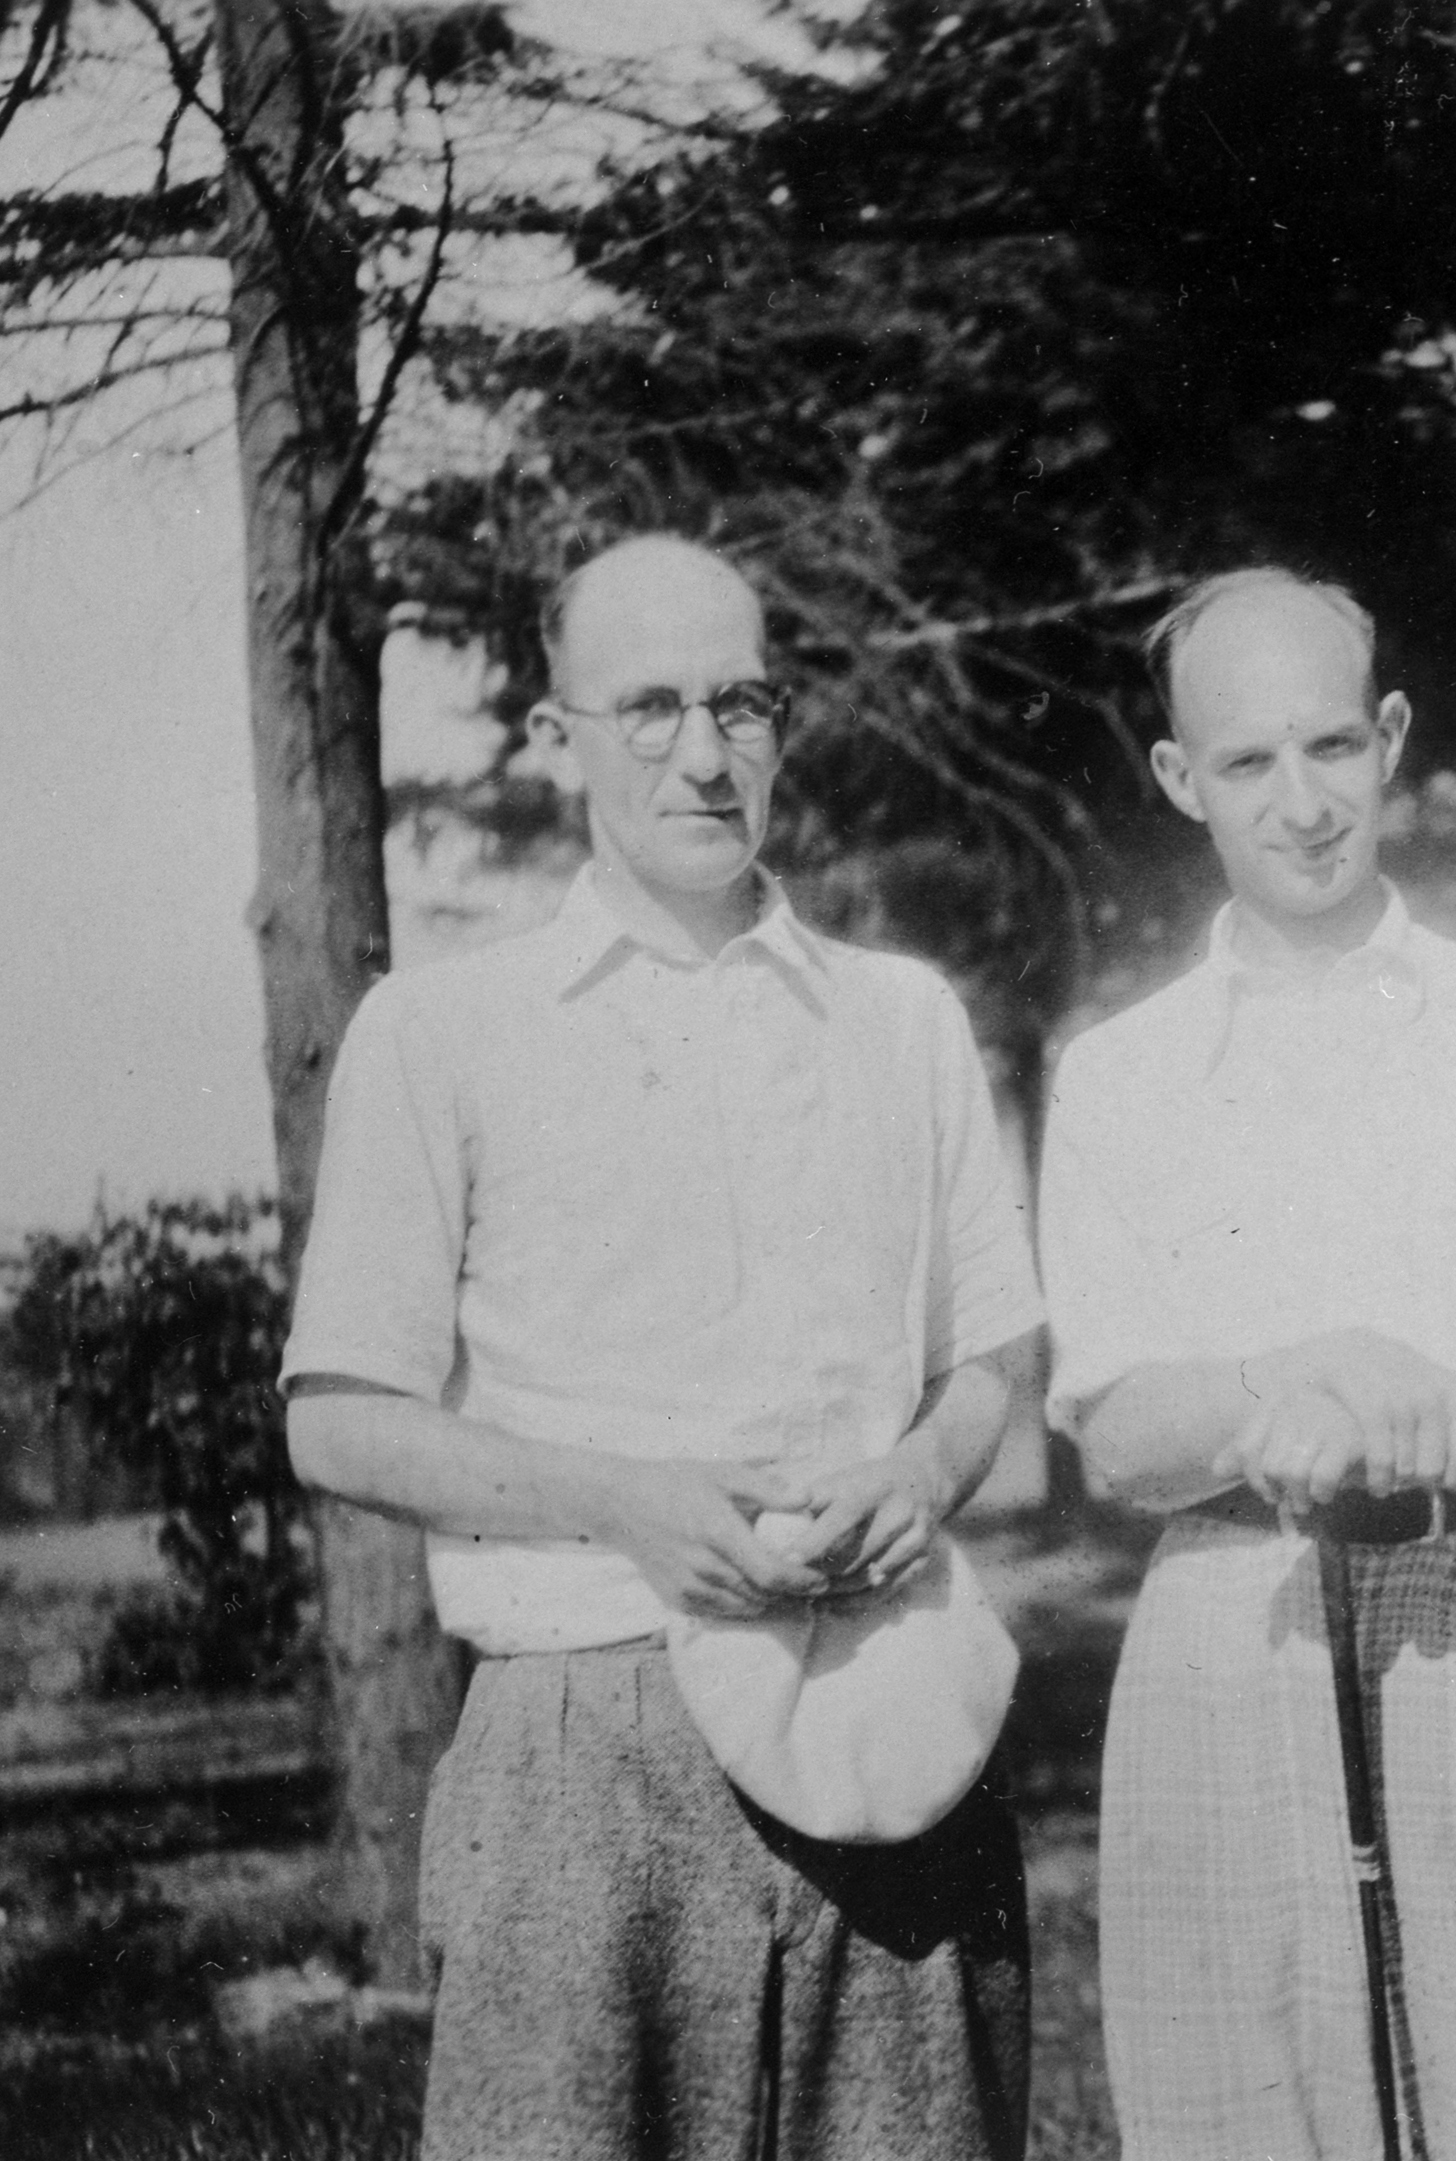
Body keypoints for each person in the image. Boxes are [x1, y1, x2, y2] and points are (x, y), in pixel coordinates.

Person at [280, 535, 1045, 2160]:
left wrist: (925, 1468)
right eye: (648, 708)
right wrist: (623, 1500)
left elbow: (990, 1353)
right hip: (582, 1740)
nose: (704, 753)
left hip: (888, 1706)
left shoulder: (901, 1017)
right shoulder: (441, 1029)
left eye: (740, 704)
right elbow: (338, 1418)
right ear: (555, 736)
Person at [1036, 567, 1456, 2161]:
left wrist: (1430, 1416)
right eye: (1247, 761)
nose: (1303, 802)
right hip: (1228, 1621)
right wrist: (1299, 1370)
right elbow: (1120, 1430)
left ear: (1390, 737)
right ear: (1179, 778)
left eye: (1331, 745)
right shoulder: (1117, 1075)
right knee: (1247, 2121)